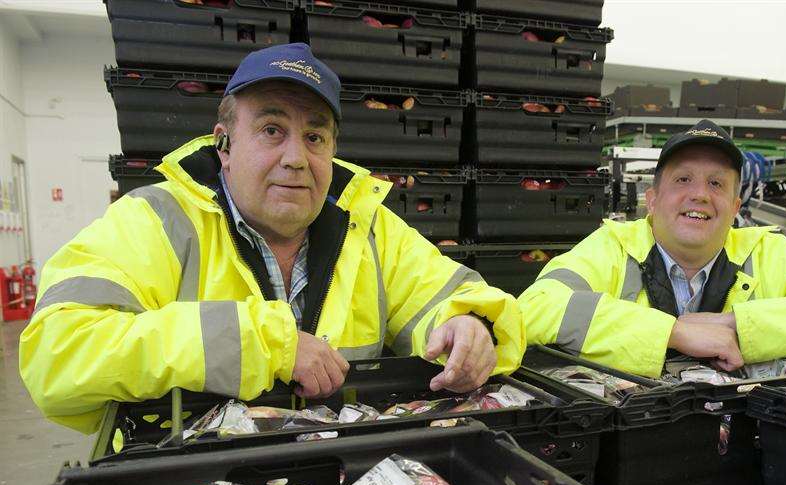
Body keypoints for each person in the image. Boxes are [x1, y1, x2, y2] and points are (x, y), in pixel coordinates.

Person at [20, 43, 525, 433]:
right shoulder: (156, 221)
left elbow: (451, 296)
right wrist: (266, 346)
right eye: (271, 130)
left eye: (315, 137)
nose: (295, 158)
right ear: (224, 144)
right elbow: (57, 353)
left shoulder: (370, 228)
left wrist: (470, 325)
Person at [519, 119, 786, 376]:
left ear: (736, 208)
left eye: (717, 184)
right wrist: (669, 332)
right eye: (683, 179)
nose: (700, 196)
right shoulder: (614, 247)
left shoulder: (767, 254)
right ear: (652, 201)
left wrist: (744, 327)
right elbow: (534, 310)